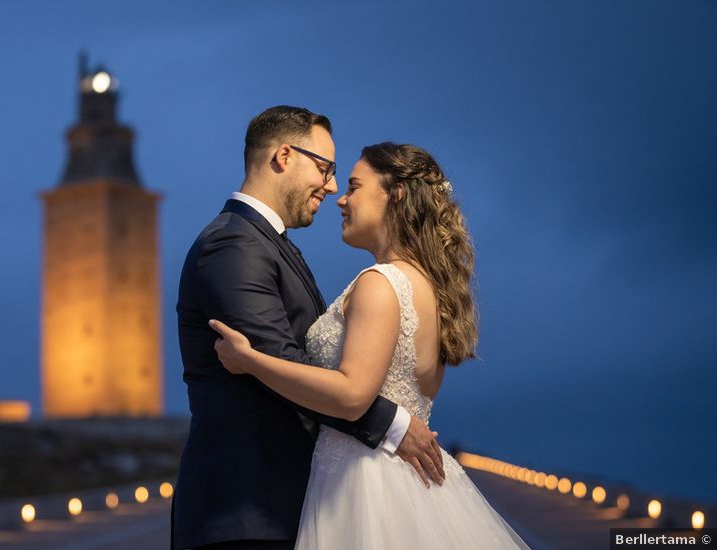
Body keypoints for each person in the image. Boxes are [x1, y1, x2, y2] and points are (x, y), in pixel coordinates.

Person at [210, 142, 530, 549]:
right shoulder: (426, 287)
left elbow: (352, 395)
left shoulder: (380, 284)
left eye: (355, 187)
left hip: (365, 483)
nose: (340, 199)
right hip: (405, 482)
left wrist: (251, 361)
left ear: (394, 194)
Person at [172, 107, 444, 550]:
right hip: (245, 512)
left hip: (288, 508)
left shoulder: (269, 245)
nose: (332, 186)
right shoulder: (232, 243)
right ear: (283, 155)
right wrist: (395, 425)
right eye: (325, 168)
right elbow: (281, 365)